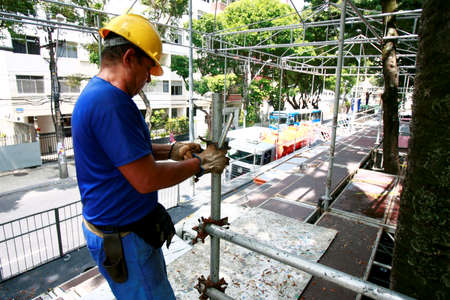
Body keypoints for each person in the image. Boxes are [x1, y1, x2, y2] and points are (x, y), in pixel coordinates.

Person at [71, 14, 229, 300]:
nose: (147, 80)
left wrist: (171, 150)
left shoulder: (97, 95)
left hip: (115, 232)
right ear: (130, 57)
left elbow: (125, 152)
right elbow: (146, 179)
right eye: (148, 69)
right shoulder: (112, 103)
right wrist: (201, 164)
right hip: (125, 239)